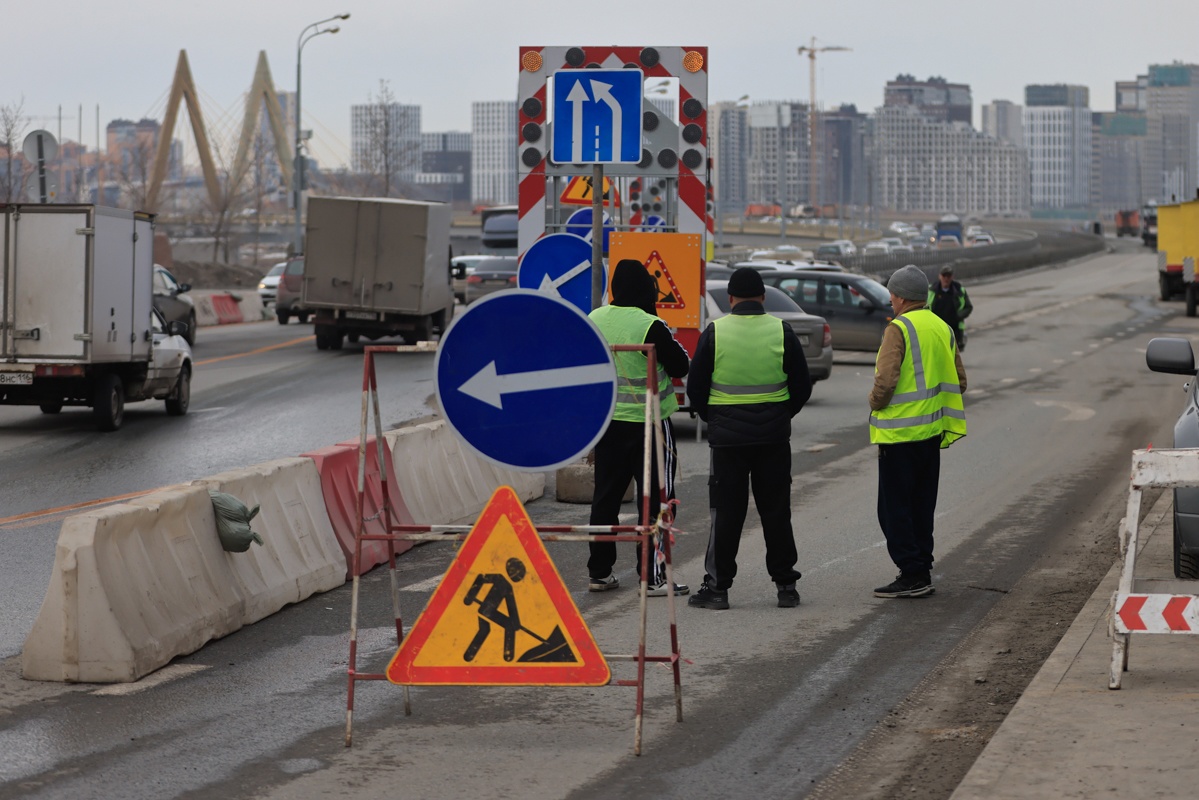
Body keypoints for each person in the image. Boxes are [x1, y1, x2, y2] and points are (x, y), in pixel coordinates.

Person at [686, 267, 812, 610]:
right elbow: (802, 385)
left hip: (727, 443)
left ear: (730, 299)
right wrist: (781, 414)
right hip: (772, 439)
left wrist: (718, 419)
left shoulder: (715, 331)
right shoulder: (780, 330)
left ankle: (717, 589)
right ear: (761, 298)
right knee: (775, 512)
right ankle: (786, 586)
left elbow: (695, 388)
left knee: (726, 514)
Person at [587, 260, 690, 596]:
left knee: (605, 499)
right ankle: (655, 576)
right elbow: (680, 365)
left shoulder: (594, 319)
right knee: (658, 500)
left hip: (607, 423)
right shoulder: (650, 325)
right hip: (650, 425)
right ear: (645, 289)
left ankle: (599, 573)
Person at [870, 265, 967, 599]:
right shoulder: (942, 326)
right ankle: (922, 568)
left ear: (899, 296)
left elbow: (885, 380)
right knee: (922, 506)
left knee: (893, 508)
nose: (891, 300)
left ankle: (911, 573)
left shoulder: (898, 328)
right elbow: (960, 380)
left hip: (899, 437)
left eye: (892, 295)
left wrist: (874, 402)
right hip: (931, 435)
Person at [927, 265, 973, 351]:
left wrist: (958, 316)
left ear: (952, 277)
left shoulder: (959, 290)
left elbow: (968, 307)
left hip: (954, 329)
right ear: (940, 276)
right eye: (944, 276)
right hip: (936, 328)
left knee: (953, 353)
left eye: (948, 276)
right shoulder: (931, 290)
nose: (946, 279)